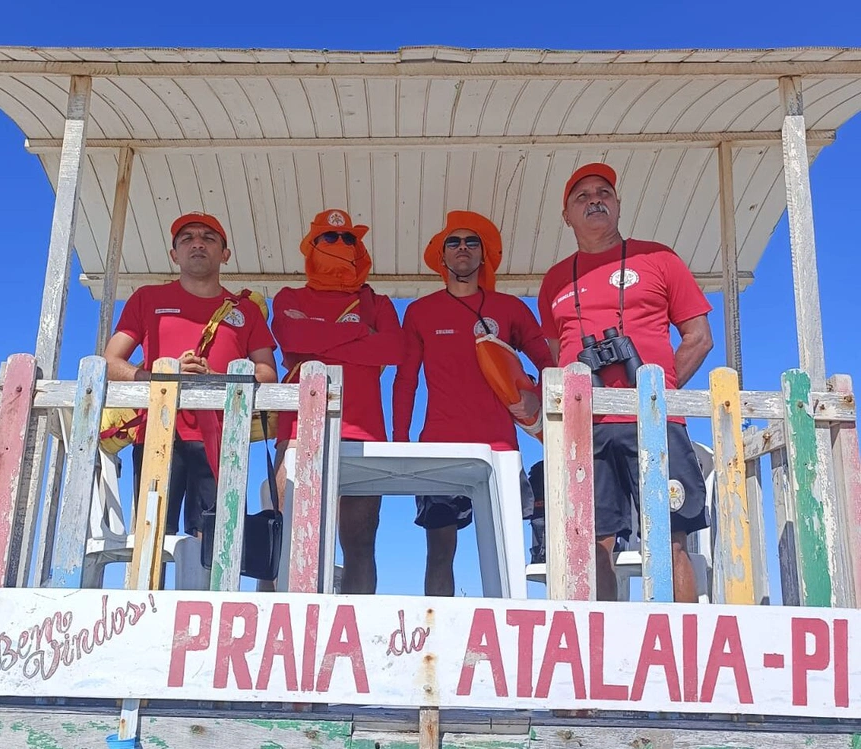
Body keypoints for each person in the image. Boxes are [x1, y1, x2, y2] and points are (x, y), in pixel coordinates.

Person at [538, 162, 714, 602]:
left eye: (604, 193)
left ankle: (682, 651)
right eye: (582, 196)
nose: (595, 200)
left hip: (654, 419)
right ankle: (603, 652)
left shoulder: (658, 258)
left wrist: (660, 391)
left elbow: (699, 337)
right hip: (587, 427)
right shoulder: (554, 280)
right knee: (594, 542)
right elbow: (552, 354)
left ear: (617, 205)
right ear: (567, 216)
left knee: (670, 537)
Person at [394, 211, 554, 596]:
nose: (462, 248)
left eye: (471, 242)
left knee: (504, 551)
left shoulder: (511, 308)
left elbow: (550, 366)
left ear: (485, 255)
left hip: (499, 447)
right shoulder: (419, 312)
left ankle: (509, 639)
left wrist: (531, 390)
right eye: (454, 242)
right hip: (439, 447)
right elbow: (405, 380)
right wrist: (400, 442)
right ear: (441, 257)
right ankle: (434, 643)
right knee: (439, 551)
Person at [104, 212, 277, 536]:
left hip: (222, 439)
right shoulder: (146, 298)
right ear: (174, 254)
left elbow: (267, 373)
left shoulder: (246, 310)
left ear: (225, 254)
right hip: (156, 432)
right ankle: (149, 590)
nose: (197, 243)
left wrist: (218, 380)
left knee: (213, 540)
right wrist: (158, 376)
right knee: (152, 535)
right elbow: (110, 362)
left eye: (208, 238)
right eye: (187, 238)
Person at [271, 209, 404, 593]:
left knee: (361, 543)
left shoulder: (377, 301)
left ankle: (353, 634)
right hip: (297, 428)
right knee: (293, 539)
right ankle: (283, 635)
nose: (341, 245)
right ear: (312, 246)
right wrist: (362, 336)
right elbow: (293, 340)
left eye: (349, 239)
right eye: (330, 238)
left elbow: (393, 349)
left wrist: (319, 337)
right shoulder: (288, 296)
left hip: (364, 432)